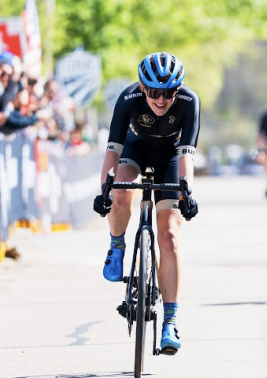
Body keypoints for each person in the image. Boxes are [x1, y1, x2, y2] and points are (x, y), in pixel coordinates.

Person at [94, 52, 200, 356]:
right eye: (154, 92)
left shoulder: (190, 102)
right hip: (135, 148)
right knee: (121, 192)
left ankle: (171, 321)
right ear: (142, 87)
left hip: (170, 157)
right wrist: (105, 190)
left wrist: (187, 191)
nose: (161, 99)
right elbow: (112, 151)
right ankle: (116, 245)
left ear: (178, 90)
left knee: (169, 237)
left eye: (168, 93)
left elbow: (187, 154)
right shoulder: (128, 98)